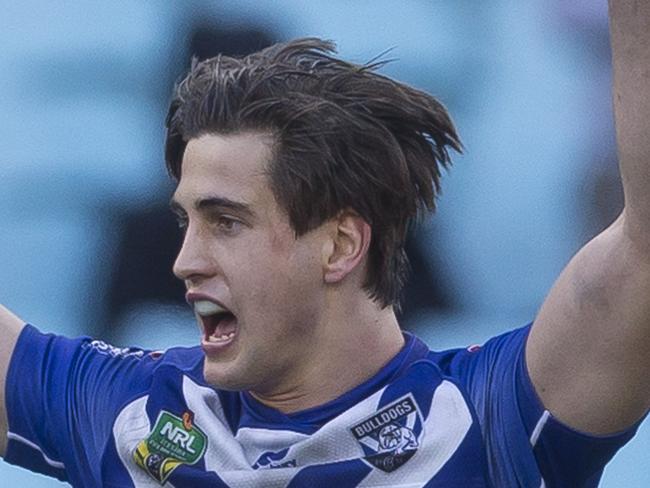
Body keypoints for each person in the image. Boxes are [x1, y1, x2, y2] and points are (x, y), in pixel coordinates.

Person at [1, 1, 648, 486]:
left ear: (340, 245)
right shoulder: (131, 413)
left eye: (226, 222)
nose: (184, 262)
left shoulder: (488, 418)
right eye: (185, 221)